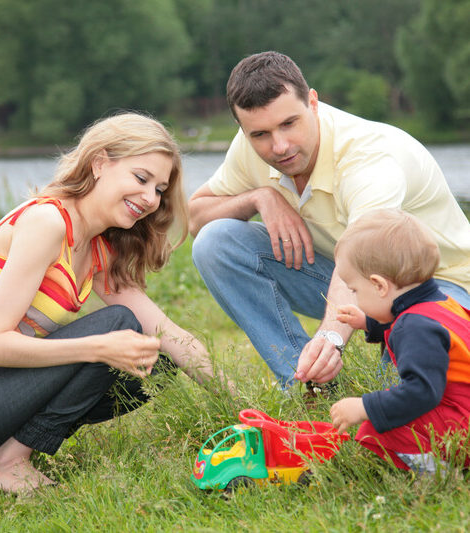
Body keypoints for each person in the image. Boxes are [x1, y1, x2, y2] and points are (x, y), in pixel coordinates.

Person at [0, 112, 227, 494]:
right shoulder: (47, 222)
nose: (150, 198)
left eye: (159, 189)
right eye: (141, 179)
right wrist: (97, 348)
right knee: (118, 327)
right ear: (99, 164)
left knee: (154, 362)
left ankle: (7, 454)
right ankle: (4, 466)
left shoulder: (96, 249)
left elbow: (167, 332)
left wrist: (234, 400)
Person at [188, 51, 470, 388]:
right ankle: (307, 385)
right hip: (357, 282)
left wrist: (330, 338)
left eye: (289, 123)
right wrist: (259, 197)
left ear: (313, 102)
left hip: (439, 287)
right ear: (243, 129)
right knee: (215, 242)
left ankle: (331, 360)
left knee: (397, 405)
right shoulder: (249, 147)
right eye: (260, 134)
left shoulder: (369, 158)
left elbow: (366, 257)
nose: (279, 146)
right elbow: (196, 217)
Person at [329, 209, 470, 475]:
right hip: (463, 410)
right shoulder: (440, 305)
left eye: (355, 290)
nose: (355, 296)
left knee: (376, 428)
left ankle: (440, 473)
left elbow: (422, 392)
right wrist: (368, 322)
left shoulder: (414, 326)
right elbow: (415, 328)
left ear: (379, 285)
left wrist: (365, 406)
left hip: (462, 426)